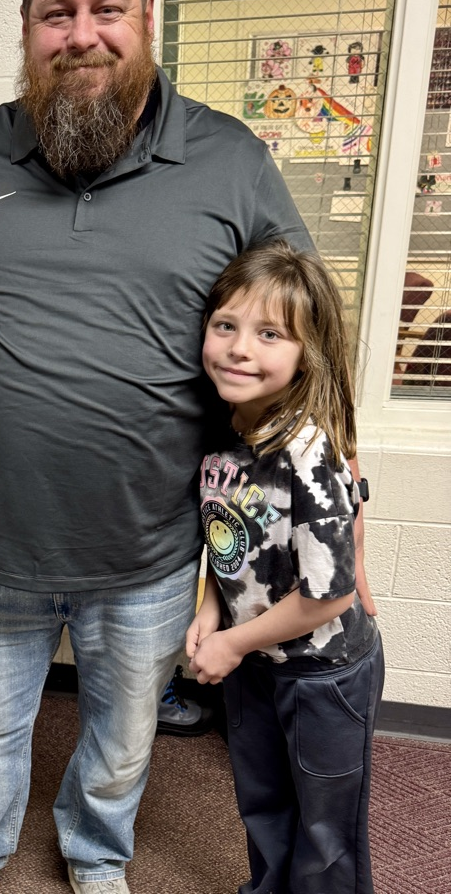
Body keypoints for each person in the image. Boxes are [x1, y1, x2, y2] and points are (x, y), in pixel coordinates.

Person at [0, 0, 371, 894]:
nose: (82, 34)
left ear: (148, 14)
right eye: (58, 12)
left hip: (151, 557)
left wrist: (342, 520)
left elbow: (309, 340)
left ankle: (96, 855)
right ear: (27, 26)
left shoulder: (231, 160)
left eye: (107, 8)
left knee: (122, 742)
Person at [186, 240, 384, 894]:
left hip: (323, 673)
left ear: (307, 354)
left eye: (270, 334)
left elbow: (329, 597)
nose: (240, 349)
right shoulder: (222, 428)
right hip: (254, 663)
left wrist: (231, 642)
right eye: (226, 326)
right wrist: (211, 609)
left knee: (325, 828)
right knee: (264, 804)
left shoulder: (309, 452)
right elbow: (228, 536)